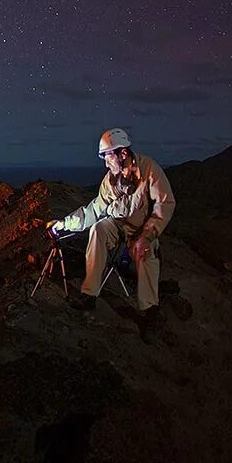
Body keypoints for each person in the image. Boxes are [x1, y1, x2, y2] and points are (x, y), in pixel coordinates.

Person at [46, 128, 176, 325]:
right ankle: (89, 295)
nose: (106, 163)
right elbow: (94, 210)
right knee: (98, 229)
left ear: (122, 153)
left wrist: (146, 235)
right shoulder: (110, 180)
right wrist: (64, 223)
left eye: (108, 157)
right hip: (117, 224)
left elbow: (165, 204)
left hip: (141, 228)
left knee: (145, 252)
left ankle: (150, 311)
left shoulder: (149, 169)